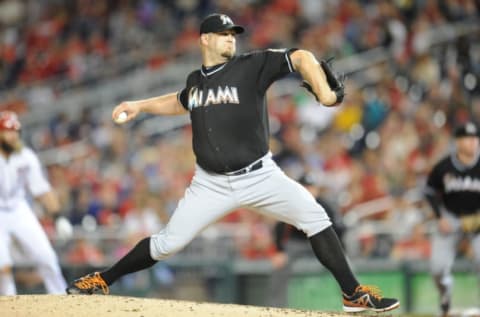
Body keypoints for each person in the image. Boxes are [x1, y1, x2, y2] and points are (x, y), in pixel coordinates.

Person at [66, 13, 399, 313]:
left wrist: (325, 93)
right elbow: (180, 101)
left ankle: (352, 293)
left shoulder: (252, 66)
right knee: (168, 244)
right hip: (209, 184)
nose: (230, 38)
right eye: (223, 33)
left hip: (260, 175)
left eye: (233, 34)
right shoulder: (196, 81)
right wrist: (139, 105)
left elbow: (301, 57)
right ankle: (102, 280)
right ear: (205, 39)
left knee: (315, 217)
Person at [0, 110, 69, 295]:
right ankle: (7, 306)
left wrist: (58, 217)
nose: (12, 135)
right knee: (2, 265)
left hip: (19, 209)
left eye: (15, 131)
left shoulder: (26, 156)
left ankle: (63, 298)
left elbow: (42, 189)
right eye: (7, 131)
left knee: (46, 256)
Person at [424, 121, 480, 317]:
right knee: (438, 268)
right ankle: (445, 297)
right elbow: (429, 191)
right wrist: (439, 217)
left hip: (478, 220)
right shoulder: (444, 166)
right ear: (457, 142)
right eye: (467, 138)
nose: (472, 142)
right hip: (451, 218)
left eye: (475, 138)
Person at [267, 173, 346, 307]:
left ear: (316, 189)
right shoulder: (292, 203)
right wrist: (279, 251)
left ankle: (354, 300)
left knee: (344, 264)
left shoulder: (325, 205)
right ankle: (277, 308)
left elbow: (338, 230)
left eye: (311, 187)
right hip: (297, 244)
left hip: (320, 243)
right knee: (280, 265)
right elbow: (280, 227)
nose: (309, 190)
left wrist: (340, 251)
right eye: (305, 187)